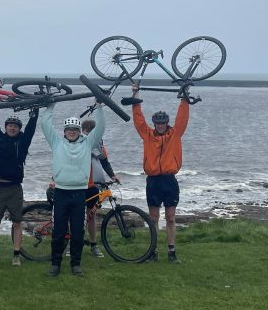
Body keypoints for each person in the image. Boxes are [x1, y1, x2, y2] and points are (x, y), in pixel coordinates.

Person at [40, 102, 105, 277]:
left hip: (79, 194)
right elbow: (45, 125)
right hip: (61, 193)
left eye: (75, 129)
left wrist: (99, 107)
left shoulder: (87, 143)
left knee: (78, 232)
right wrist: (50, 106)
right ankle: (55, 264)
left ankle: (76, 264)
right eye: (69, 129)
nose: (72, 131)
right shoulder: (56, 143)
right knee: (59, 232)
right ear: (64, 131)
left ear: (79, 131)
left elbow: (100, 129)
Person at [131, 82, 189, 263]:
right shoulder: (147, 134)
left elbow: (183, 117)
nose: (161, 125)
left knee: (171, 218)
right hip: (153, 181)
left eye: (163, 123)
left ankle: (171, 252)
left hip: (170, 181)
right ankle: (153, 252)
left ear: (167, 123)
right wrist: (135, 95)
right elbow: (138, 119)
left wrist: (185, 96)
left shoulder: (176, 134)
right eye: (158, 123)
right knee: (153, 218)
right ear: (154, 123)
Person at [0, 109, 39, 267]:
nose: (12, 128)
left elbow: (31, 128)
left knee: (17, 223)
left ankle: (16, 255)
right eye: (10, 126)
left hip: (15, 189)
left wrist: (35, 113)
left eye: (15, 126)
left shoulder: (23, 141)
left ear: (19, 129)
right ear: (6, 127)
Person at [62, 119, 120, 258]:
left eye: (93, 131)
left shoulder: (99, 144)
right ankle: (71, 244)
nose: (90, 133)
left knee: (91, 215)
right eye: (88, 130)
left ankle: (93, 245)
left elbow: (105, 162)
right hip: (79, 184)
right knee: (75, 216)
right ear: (83, 131)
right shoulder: (80, 143)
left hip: (93, 185)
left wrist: (112, 175)